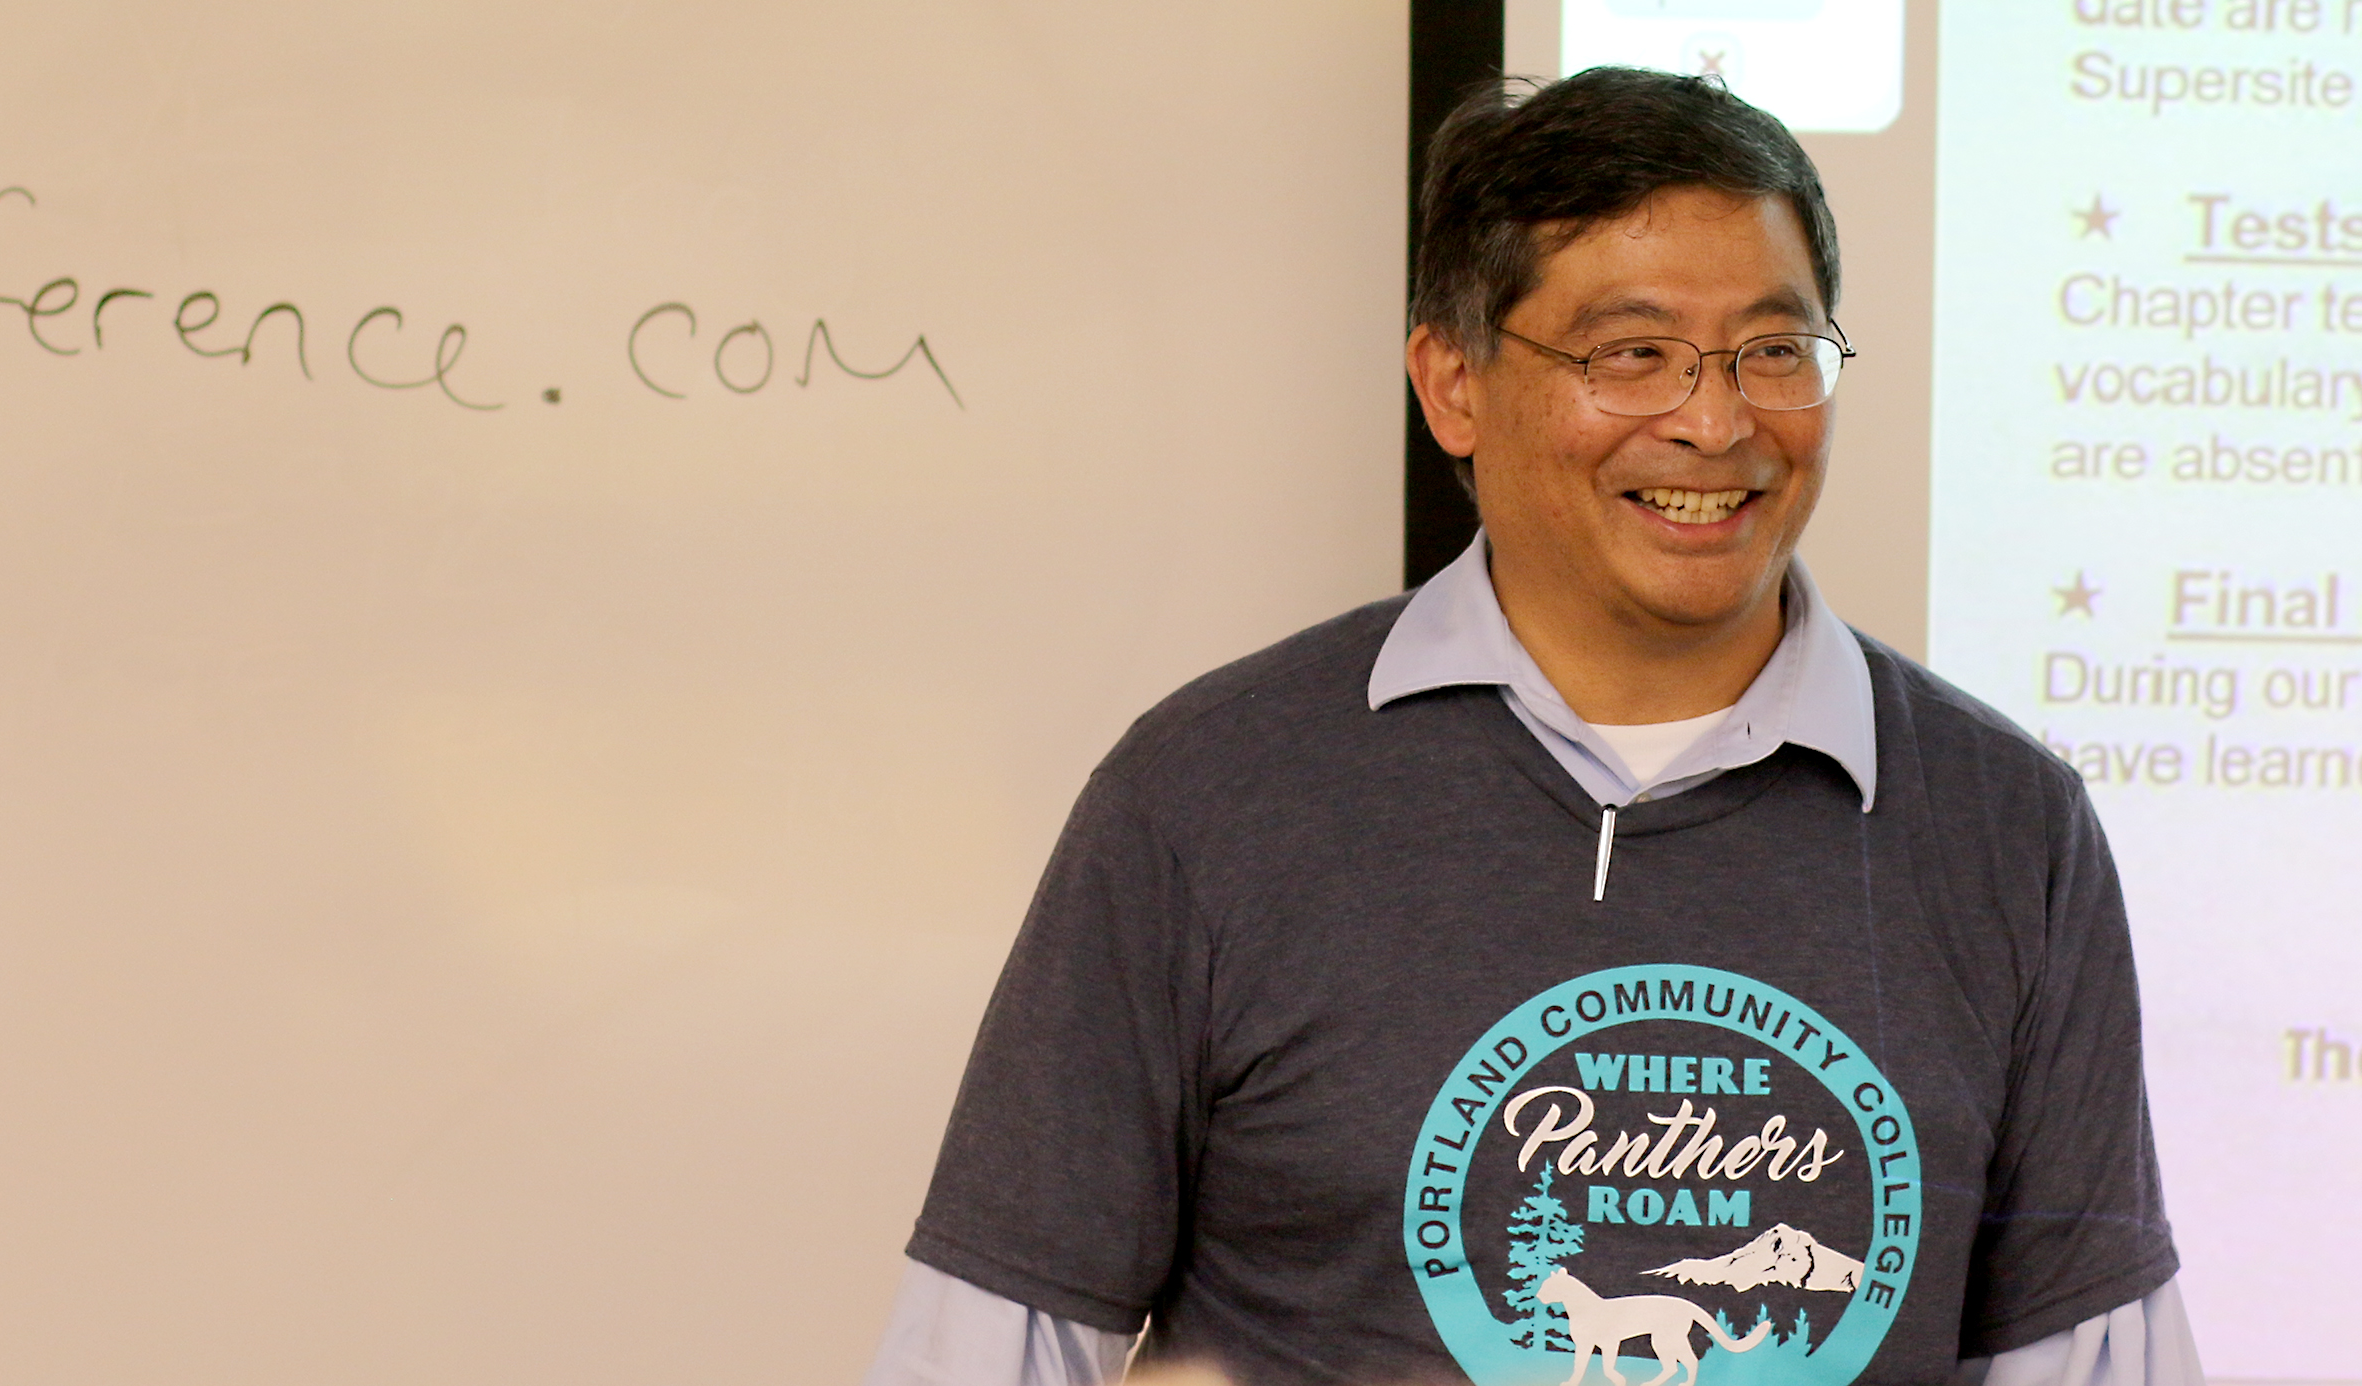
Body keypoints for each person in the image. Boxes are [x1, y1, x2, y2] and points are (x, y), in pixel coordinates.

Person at [863, 69, 2201, 1386]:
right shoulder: (1205, 799)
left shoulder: (2011, 830)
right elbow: (991, 1353)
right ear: (1453, 384)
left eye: (1775, 351)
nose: (1716, 420)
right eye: (1633, 355)